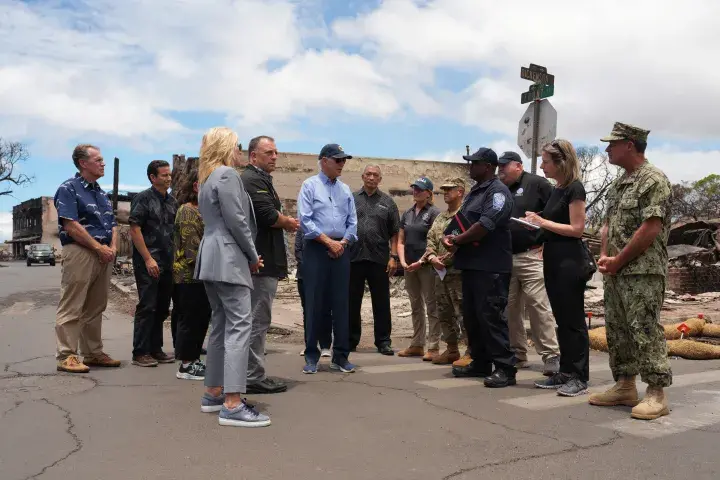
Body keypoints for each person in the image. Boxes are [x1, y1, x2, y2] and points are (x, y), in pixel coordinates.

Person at [589, 123, 673, 420]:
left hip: (642, 271)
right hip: (616, 271)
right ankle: (625, 385)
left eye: (612, 144)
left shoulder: (654, 180)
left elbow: (650, 228)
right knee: (618, 329)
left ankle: (656, 393)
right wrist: (603, 256)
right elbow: (607, 225)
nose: (607, 149)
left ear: (630, 145)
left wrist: (619, 259)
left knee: (644, 328)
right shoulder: (618, 184)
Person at [195, 126, 270, 427]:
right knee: (240, 325)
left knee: (220, 324)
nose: (238, 151)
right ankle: (233, 402)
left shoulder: (206, 179)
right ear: (226, 147)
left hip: (211, 257)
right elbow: (237, 221)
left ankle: (214, 392)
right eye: (236, 146)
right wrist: (253, 256)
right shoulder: (226, 175)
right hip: (228, 258)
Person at [442, 148, 517, 388]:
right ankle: (481, 362)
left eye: (473, 163)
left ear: (487, 166)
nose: (469, 167)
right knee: (473, 317)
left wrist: (457, 240)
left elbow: (486, 224)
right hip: (473, 265)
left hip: (491, 266)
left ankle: (505, 367)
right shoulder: (476, 192)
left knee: (492, 316)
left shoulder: (498, 192)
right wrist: (450, 237)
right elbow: (462, 222)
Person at [524, 139, 589, 397]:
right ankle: (566, 371)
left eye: (546, 161)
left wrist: (541, 221)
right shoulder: (557, 189)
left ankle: (580, 376)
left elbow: (577, 229)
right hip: (552, 259)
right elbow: (551, 226)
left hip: (570, 262)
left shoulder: (575, 188)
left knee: (573, 321)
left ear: (561, 162)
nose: (542, 166)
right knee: (561, 320)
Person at [53, 144, 121, 373]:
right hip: (81, 251)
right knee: (73, 303)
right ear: (83, 163)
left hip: (103, 254)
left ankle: (93, 353)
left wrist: (111, 248)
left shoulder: (101, 193)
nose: (103, 163)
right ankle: (67, 355)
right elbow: (71, 225)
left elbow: (113, 224)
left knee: (96, 305)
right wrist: (97, 248)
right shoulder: (68, 189)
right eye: (98, 160)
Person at [241, 135, 299, 394]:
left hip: (264, 261)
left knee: (256, 318)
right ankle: (252, 376)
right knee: (257, 319)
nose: (274, 157)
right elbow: (266, 215)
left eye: (276, 152)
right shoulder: (252, 180)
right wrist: (287, 221)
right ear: (253, 156)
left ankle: (250, 373)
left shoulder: (262, 180)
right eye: (269, 153)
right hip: (260, 263)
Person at [497, 151, 560, 376]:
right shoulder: (500, 189)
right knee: (511, 308)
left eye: (505, 166)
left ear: (518, 166)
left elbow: (558, 214)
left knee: (538, 305)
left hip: (532, 255)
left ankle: (551, 355)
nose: (500, 170)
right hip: (506, 257)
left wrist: (546, 242)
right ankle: (518, 353)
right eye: (499, 167)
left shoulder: (538, 184)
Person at [297, 143, 358, 374]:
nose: (342, 164)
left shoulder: (345, 190)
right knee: (315, 302)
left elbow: (353, 222)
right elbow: (305, 220)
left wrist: (342, 243)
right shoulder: (309, 186)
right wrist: (327, 241)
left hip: (341, 250)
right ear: (324, 161)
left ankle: (341, 356)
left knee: (341, 303)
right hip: (316, 249)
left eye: (344, 160)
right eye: (338, 160)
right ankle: (312, 355)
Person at [129, 160, 178, 367]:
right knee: (147, 306)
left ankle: (155, 349)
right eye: (164, 175)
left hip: (168, 262)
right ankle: (140, 352)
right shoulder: (143, 199)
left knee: (161, 307)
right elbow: (134, 229)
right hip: (148, 261)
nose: (168, 178)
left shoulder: (172, 201)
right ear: (153, 177)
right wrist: (148, 258)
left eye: (169, 175)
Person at [349, 165, 401, 355]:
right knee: (352, 302)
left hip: (379, 259)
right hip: (353, 258)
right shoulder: (351, 199)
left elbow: (395, 232)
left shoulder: (388, 202)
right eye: (368, 174)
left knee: (381, 302)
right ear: (363, 176)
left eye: (375, 175)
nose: (371, 178)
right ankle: (350, 340)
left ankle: (383, 341)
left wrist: (394, 257)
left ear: (380, 179)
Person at [171, 164, 210, 380]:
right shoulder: (187, 210)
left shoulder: (202, 210)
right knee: (190, 319)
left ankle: (194, 359)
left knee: (201, 319)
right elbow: (191, 249)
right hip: (189, 276)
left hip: (201, 276)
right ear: (197, 186)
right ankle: (186, 364)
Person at [423, 177, 466, 365]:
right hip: (439, 273)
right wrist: (432, 257)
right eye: (444, 189)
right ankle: (451, 349)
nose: (445, 192)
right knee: (444, 311)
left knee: (462, 311)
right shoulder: (440, 217)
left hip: (458, 272)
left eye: (450, 189)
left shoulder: (465, 215)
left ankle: (471, 350)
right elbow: (430, 239)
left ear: (460, 192)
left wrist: (447, 258)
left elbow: (465, 242)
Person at [397, 177, 441, 361]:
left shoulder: (433, 213)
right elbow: (400, 241)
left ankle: (434, 346)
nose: (416, 192)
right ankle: (417, 344)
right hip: (409, 265)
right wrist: (403, 262)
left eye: (420, 189)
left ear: (428, 193)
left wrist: (421, 262)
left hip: (427, 266)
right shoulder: (407, 214)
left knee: (432, 305)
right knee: (415, 305)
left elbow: (433, 242)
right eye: (414, 188)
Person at [295, 227, 332, 356]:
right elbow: (298, 251)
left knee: (325, 309)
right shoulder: (302, 229)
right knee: (308, 311)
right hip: (304, 276)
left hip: (325, 275)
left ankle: (325, 345)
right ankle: (309, 345)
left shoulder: (327, 228)